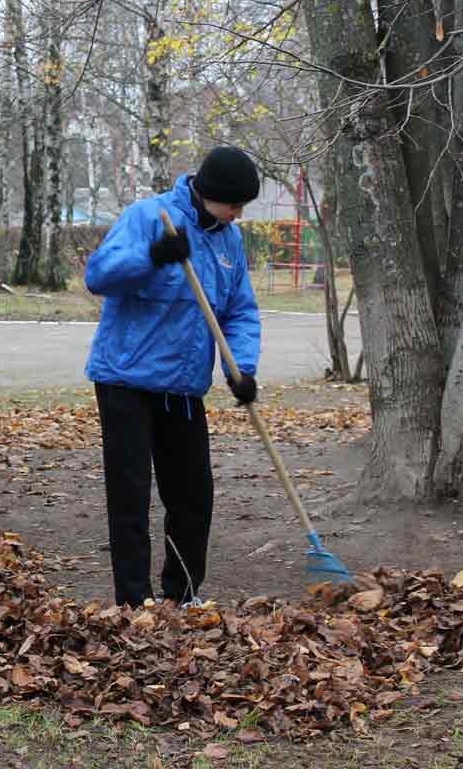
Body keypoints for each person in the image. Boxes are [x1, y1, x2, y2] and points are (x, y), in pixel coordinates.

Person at [85, 146, 263, 608]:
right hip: (126, 380)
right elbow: (99, 275)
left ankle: (181, 595)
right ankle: (133, 604)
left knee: (193, 497)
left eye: (243, 206)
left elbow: (240, 312)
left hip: (182, 389)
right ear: (209, 193)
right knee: (131, 496)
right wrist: (154, 256)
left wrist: (241, 369)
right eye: (234, 204)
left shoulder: (229, 240)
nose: (238, 214)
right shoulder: (150, 217)